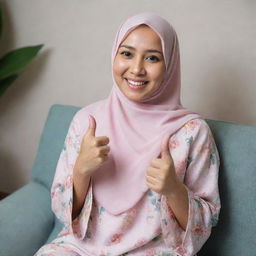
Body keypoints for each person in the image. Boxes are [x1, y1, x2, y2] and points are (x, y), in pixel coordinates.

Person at [35, 12, 220, 256]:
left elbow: (204, 224)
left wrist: (173, 189)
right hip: (81, 248)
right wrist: (81, 170)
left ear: (170, 64)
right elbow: (61, 212)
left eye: (152, 58)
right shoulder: (87, 121)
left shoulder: (192, 132)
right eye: (127, 53)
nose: (136, 69)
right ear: (114, 54)